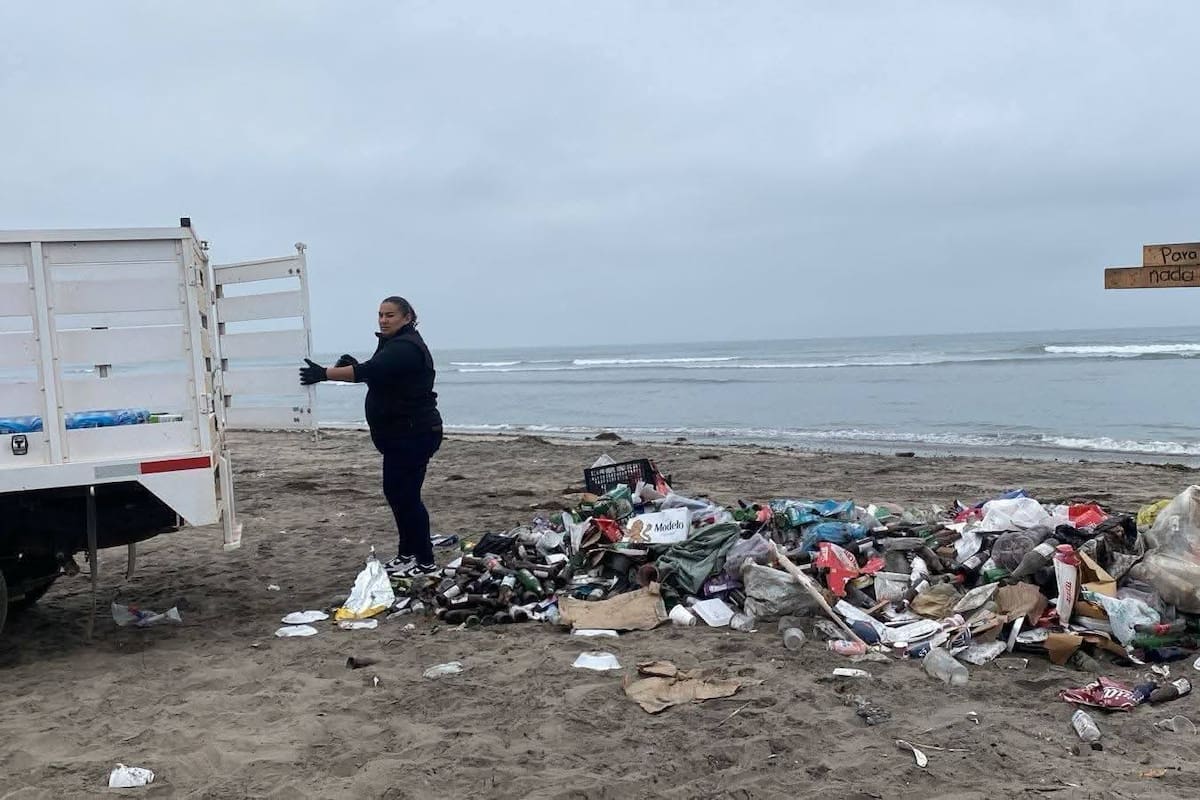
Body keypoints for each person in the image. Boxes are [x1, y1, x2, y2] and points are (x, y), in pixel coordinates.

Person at [299, 296, 443, 576]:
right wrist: (350, 366)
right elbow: (378, 374)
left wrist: (324, 373)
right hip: (400, 436)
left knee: (408, 497)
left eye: (390, 315)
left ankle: (425, 561)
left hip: (414, 434)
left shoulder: (406, 347)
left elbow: (371, 371)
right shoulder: (393, 344)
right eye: (380, 314)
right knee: (397, 494)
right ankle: (407, 554)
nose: (383, 320)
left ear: (407, 317)